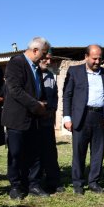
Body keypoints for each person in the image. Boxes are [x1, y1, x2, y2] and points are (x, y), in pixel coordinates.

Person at [2, 37, 51, 199]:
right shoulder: (16, 63)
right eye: (43, 53)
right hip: (17, 118)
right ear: (35, 50)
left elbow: (38, 90)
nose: (45, 57)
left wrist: (43, 102)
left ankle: (34, 184)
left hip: (34, 119)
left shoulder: (36, 67)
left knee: (35, 153)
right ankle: (16, 186)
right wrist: (36, 105)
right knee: (16, 154)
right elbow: (15, 90)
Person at [63, 45, 104, 195]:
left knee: (98, 151)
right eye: (94, 58)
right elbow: (67, 96)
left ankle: (94, 182)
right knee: (79, 151)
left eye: (100, 58)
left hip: (100, 116)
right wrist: (67, 117)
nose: (97, 61)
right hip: (80, 117)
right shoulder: (74, 71)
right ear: (86, 57)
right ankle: (78, 183)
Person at [38, 52, 64, 193]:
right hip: (32, 121)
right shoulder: (30, 75)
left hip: (47, 120)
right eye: (45, 58)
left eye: (50, 59)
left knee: (50, 152)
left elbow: (55, 96)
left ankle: (53, 181)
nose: (48, 62)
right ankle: (34, 181)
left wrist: (51, 110)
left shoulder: (50, 76)